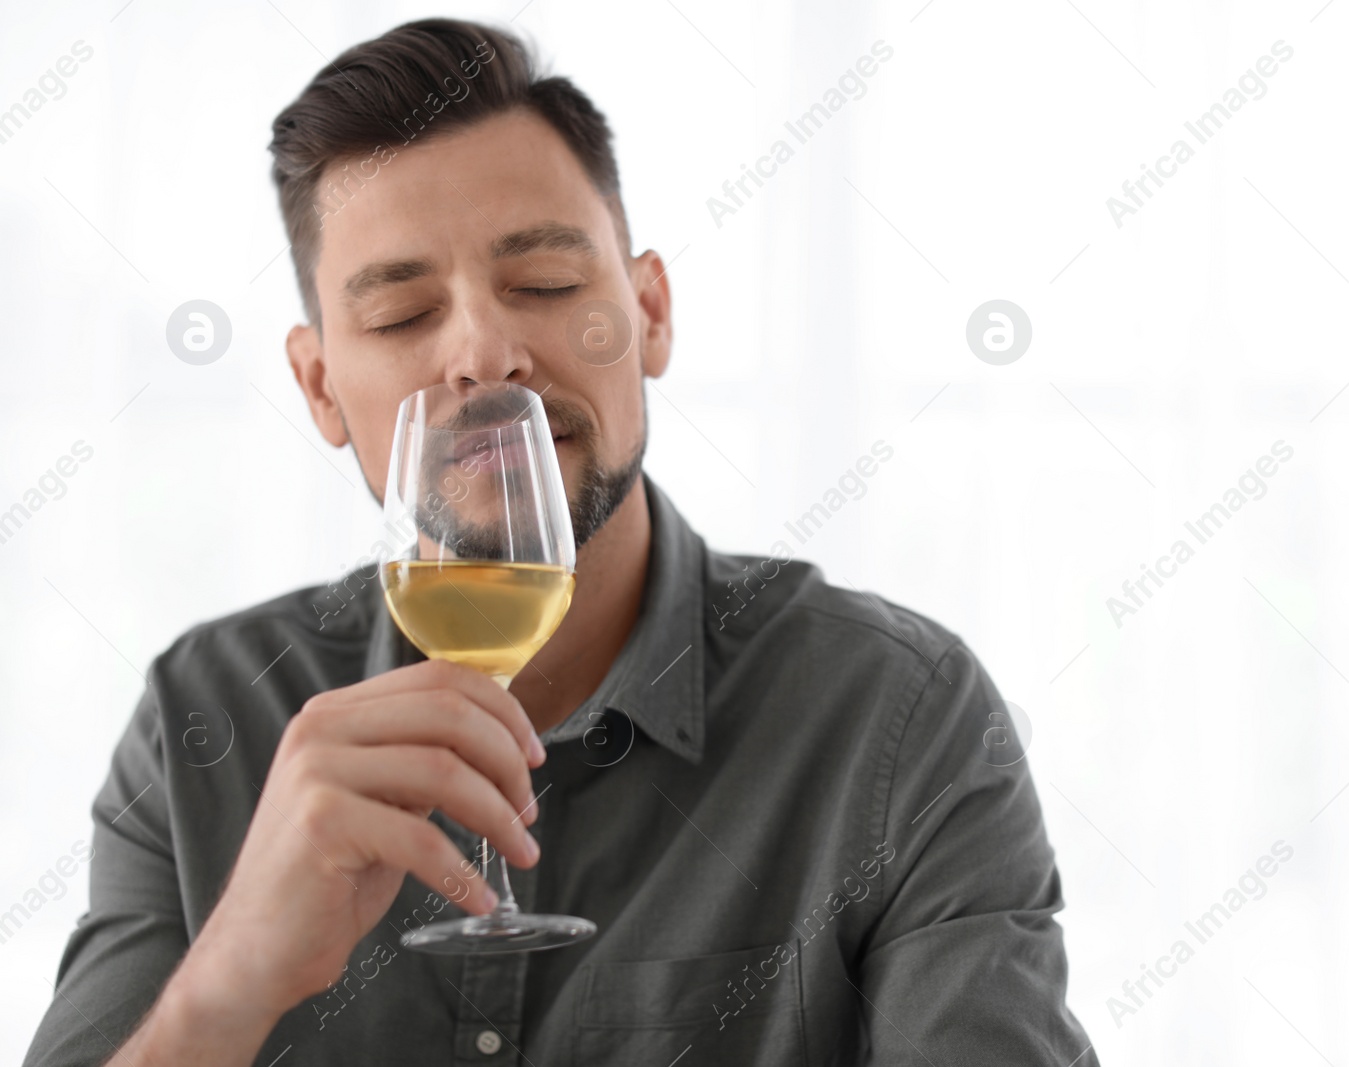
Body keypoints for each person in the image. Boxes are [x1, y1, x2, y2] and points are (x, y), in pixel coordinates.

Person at [25, 18, 1097, 1066]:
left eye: (544, 286)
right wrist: (231, 984)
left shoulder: (898, 720)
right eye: (401, 314)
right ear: (319, 388)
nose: (486, 355)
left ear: (649, 313)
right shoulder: (203, 716)